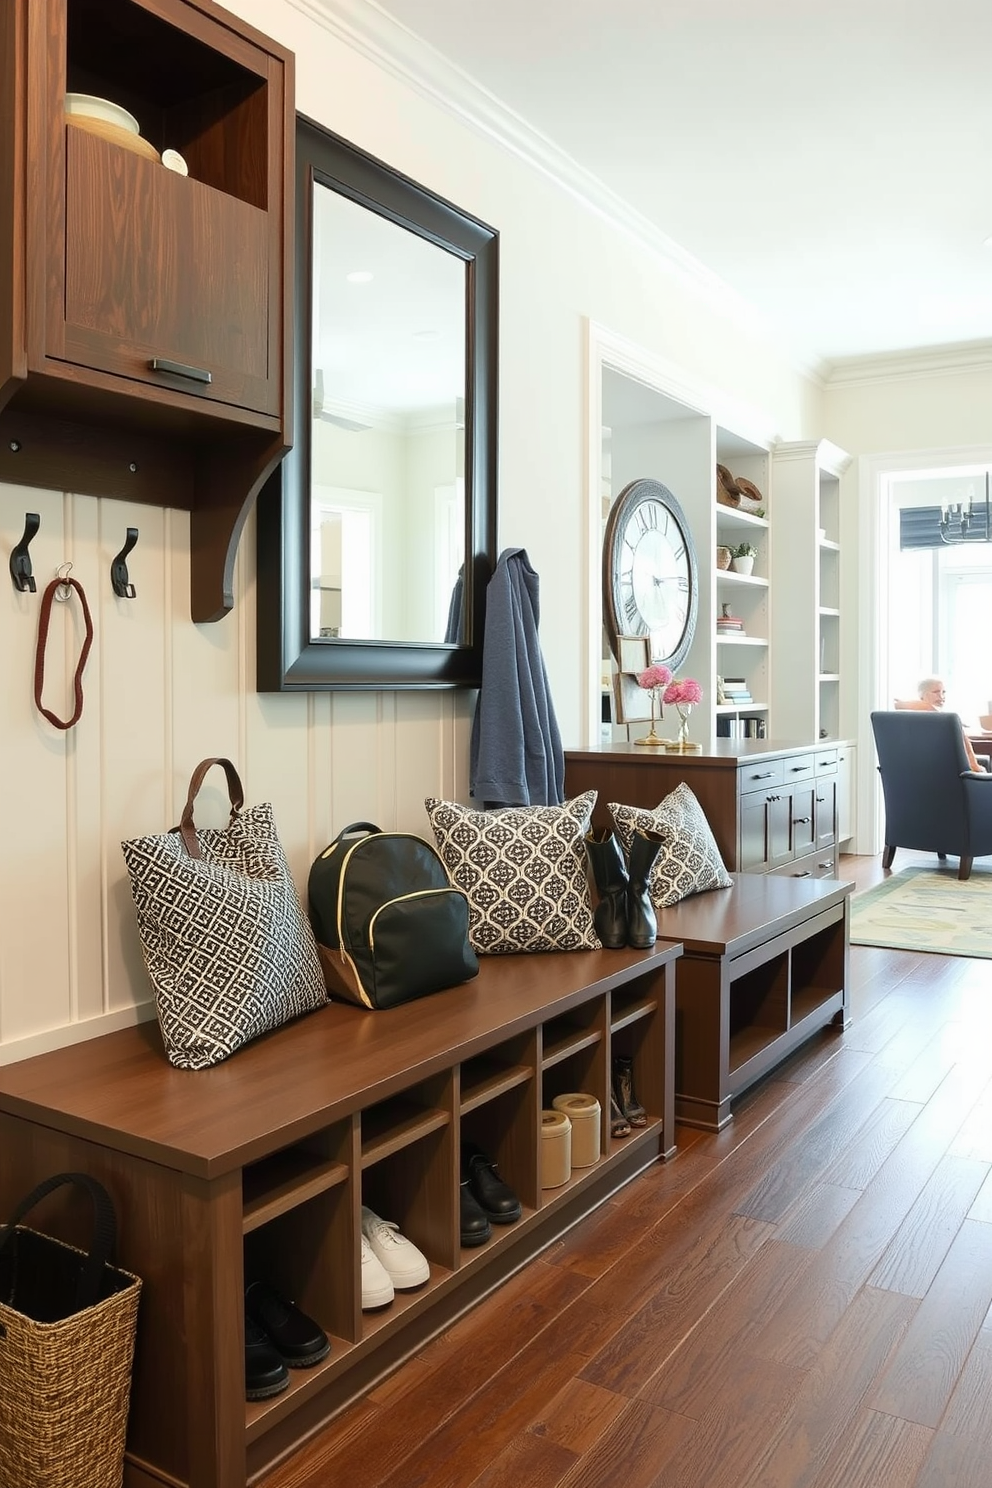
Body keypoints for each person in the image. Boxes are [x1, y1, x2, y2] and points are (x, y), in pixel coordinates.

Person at [894, 676, 984, 772]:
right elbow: (973, 765)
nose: (941, 697)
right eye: (936, 692)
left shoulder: (945, 720)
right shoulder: (946, 722)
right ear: (921, 696)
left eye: (943, 692)